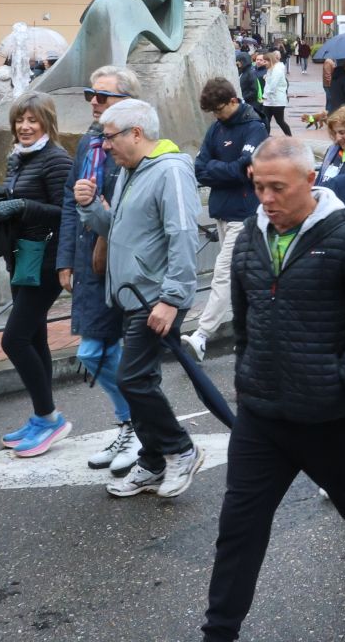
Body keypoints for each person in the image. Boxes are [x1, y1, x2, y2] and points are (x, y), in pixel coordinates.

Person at [200, 136, 345, 642]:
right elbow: (246, 315)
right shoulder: (251, 236)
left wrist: (340, 380)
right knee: (239, 526)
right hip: (262, 414)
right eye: (259, 187)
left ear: (309, 182)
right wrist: (249, 373)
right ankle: (220, 632)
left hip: (326, 414)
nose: (266, 198)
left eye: (278, 187)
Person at [75, 97, 204, 498]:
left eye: (110, 137)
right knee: (138, 379)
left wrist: (171, 298)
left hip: (154, 296)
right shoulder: (134, 170)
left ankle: (182, 449)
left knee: (132, 378)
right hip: (135, 294)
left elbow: (183, 234)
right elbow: (120, 230)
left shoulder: (169, 171)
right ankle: (151, 462)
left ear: (136, 133)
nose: (105, 146)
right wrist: (91, 207)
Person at [0, 94, 74, 455]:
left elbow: (67, 212)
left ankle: (50, 418)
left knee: (13, 340)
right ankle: (41, 416)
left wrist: (23, 205)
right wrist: (1, 194)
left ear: (47, 122)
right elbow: (25, 193)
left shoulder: (56, 158)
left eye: (33, 120)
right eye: (20, 120)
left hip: (45, 261)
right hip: (22, 257)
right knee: (35, 338)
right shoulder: (20, 156)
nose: (25, 127)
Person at [58, 69, 141, 475]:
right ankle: (131, 421)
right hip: (90, 260)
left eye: (102, 95)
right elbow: (69, 201)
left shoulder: (136, 146)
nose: (93, 100)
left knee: (115, 352)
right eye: (91, 93)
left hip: (121, 262)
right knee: (92, 351)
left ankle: (137, 426)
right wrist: (65, 259)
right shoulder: (89, 143)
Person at [188, 76, 270, 360]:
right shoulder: (216, 129)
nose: (217, 115)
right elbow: (200, 168)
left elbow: (242, 169)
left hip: (244, 214)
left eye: (220, 109)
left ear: (234, 101)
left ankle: (202, 334)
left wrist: (219, 169)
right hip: (222, 211)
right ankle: (249, 333)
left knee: (223, 273)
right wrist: (228, 170)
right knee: (242, 277)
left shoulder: (255, 128)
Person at [260, 49, 293, 136]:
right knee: (266, 120)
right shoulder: (272, 68)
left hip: (277, 101)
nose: (263, 63)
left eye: (265, 61)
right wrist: (266, 77)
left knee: (280, 121)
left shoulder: (277, 69)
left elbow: (272, 86)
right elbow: (270, 82)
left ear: (270, 60)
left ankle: (290, 137)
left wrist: (264, 97)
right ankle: (265, 138)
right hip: (270, 101)